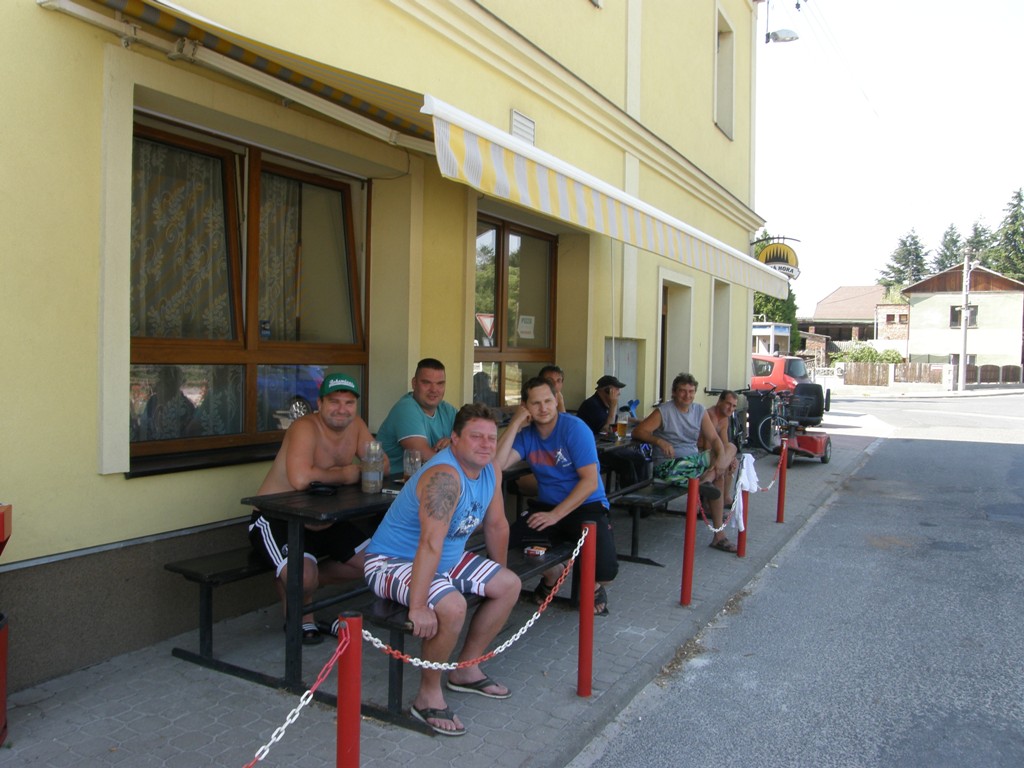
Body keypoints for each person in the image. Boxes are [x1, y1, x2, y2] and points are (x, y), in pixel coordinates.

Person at [363, 403, 519, 736]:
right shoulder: (445, 477)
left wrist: (496, 574)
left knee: (509, 585)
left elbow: (497, 525)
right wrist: (419, 606)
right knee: (452, 607)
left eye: (491, 438)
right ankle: (427, 696)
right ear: (454, 439)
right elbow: (429, 544)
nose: (486, 444)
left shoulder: (491, 470)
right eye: (475, 436)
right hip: (392, 561)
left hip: (445, 559)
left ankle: (466, 669)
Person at [248, 372, 386, 645]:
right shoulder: (304, 427)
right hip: (278, 517)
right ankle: (301, 612)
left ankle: (299, 584)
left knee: (374, 564)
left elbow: (382, 464)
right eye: (334, 401)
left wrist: (357, 470)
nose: (342, 409)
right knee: (302, 576)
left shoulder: (356, 425)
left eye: (349, 403)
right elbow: (301, 479)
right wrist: (348, 473)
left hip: (325, 518)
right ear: (320, 404)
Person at [495, 377, 618, 616]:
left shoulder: (574, 428)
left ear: (556, 400)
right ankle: (553, 574)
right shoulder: (527, 434)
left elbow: (590, 482)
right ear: (525, 406)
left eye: (548, 401)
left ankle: (594, 586)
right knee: (504, 546)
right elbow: (496, 466)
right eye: (535, 403)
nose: (543, 408)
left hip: (586, 505)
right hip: (547, 506)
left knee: (606, 572)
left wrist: (555, 515)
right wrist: (515, 423)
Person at [631, 373, 736, 552]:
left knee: (730, 448)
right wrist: (659, 441)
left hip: (693, 462)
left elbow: (715, 439)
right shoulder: (664, 411)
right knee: (720, 472)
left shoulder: (699, 410)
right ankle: (719, 535)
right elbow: (638, 431)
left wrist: (721, 461)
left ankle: (708, 480)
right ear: (674, 392)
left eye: (691, 391)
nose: (687, 395)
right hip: (670, 466)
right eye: (682, 391)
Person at [377, 358, 458, 470]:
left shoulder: (447, 410)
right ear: (414, 383)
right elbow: (425, 457)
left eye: (440, 384)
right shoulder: (406, 408)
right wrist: (455, 450)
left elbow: (473, 444)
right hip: (395, 479)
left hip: (427, 477)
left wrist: (454, 443)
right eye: (426, 383)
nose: (434, 389)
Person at [576, 374, 648, 489]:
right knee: (626, 464)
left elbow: (618, 418)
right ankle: (629, 497)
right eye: (616, 389)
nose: (619, 392)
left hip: (606, 447)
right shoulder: (592, 405)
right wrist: (613, 405)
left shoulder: (603, 403)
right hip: (593, 451)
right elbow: (608, 430)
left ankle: (642, 493)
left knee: (639, 459)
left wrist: (639, 421)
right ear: (607, 390)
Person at [700, 390, 741, 509]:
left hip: (711, 451)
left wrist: (731, 458)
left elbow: (725, 443)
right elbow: (707, 445)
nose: (731, 408)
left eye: (734, 406)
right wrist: (722, 457)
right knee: (724, 460)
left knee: (730, 460)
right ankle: (710, 500)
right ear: (719, 402)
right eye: (728, 404)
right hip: (699, 451)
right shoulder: (711, 415)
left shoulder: (724, 419)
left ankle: (724, 497)